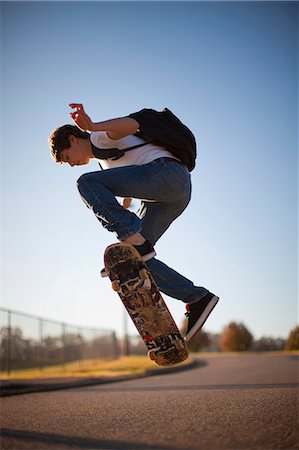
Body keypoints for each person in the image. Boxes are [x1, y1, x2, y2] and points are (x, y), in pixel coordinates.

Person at [49, 103, 219, 340]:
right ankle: (197, 298)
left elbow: (133, 125)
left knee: (85, 183)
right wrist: (126, 204)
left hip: (166, 175)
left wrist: (92, 125)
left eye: (68, 157)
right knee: (133, 261)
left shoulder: (98, 138)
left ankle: (132, 238)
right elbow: (133, 174)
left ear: (73, 139)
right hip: (173, 194)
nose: (71, 164)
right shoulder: (105, 164)